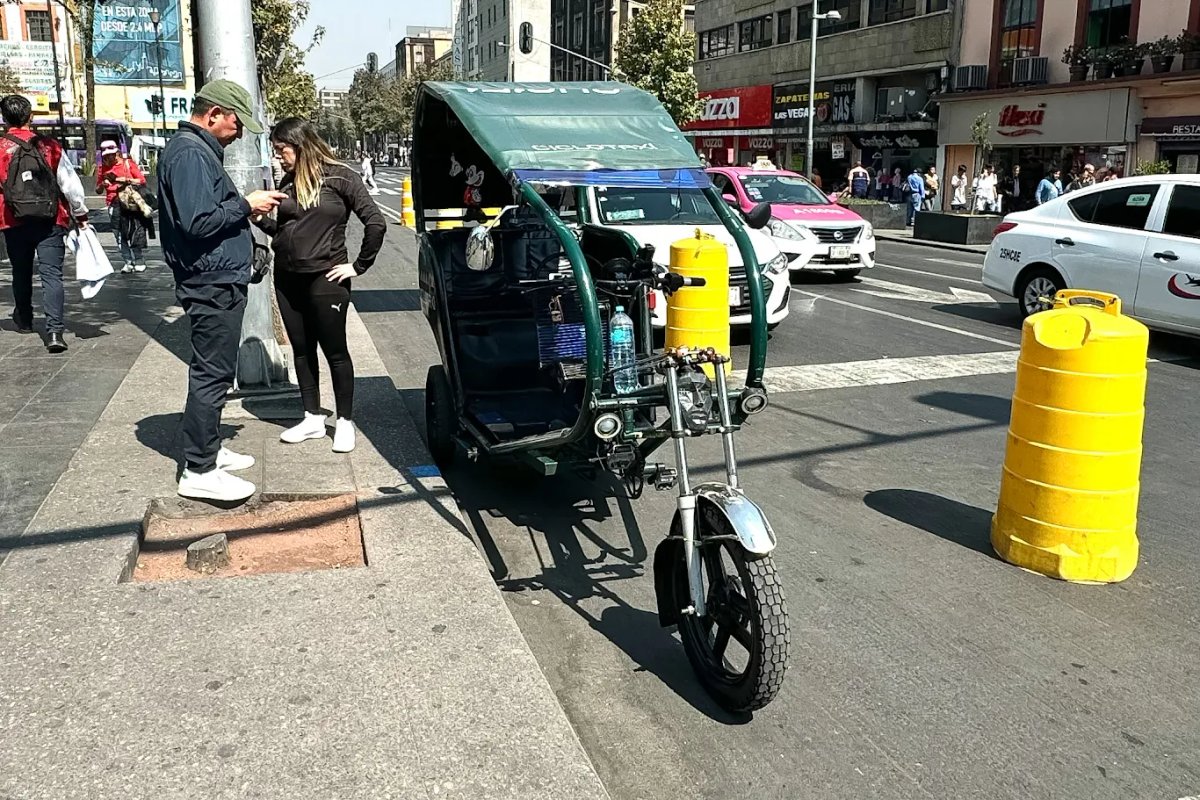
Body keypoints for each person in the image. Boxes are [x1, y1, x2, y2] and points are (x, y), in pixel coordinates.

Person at [158, 79, 287, 502]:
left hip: (215, 278)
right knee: (212, 374)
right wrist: (246, 205)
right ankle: (199, 468)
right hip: (209, 282)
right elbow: (198, 222)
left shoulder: (193, 151)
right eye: (236, 123)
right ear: (213, 114)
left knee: (214, 371)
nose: (240, 133)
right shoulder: (191, 153)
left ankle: (209, 449)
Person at [254, 117, 386, 454]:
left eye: (282, 150)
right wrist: (262, 221)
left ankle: (344, 421)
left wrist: (358, 266)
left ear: (300, 145)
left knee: (335, 352)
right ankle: (312, 417)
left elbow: (376, 223)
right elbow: (287, 232)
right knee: (301, 349)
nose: (278, 156)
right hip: (286, 277)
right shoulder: (287, 181)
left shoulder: (342, 177)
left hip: (326, 279)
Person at [0, 94, 90, 353]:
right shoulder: (48, 146)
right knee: (52, 274)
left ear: (5, 119)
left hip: (11, 219)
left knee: (20, 271)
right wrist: (80, 214)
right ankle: (54, 332)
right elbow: (70, 185)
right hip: (50, 219)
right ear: (31, 117)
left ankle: (25, 320)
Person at [96, 139, 148, 273]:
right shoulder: (103, 168)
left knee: (134, 231)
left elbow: (142, 181)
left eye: (110, 155)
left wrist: (124, 180)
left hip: (129, 202)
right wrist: (103, 185)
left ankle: (139, 259)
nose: (107, 158)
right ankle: (128, 262)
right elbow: (98, 189)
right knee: (118, 234)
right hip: (113, 203)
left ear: (116, 153)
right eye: (105, 156)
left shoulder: (127, 164)